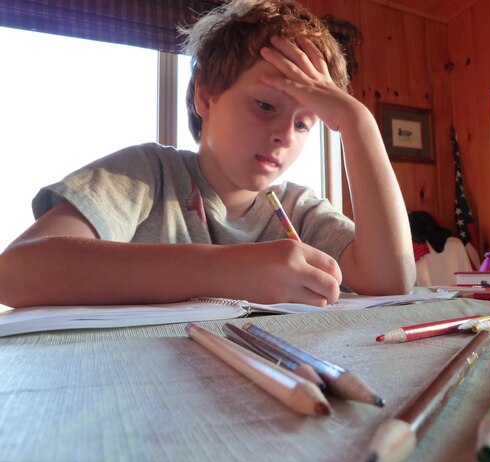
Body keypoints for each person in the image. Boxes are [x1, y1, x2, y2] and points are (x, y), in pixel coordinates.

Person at [0, 0, 415, 309]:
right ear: (206, 95)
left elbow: (392, 279)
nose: (284, 136)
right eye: (266, 106)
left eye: (305, 123)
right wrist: (229, 270)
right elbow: (16, 273)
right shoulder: (148, 174)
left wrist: (356, 121)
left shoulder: (297, 208)